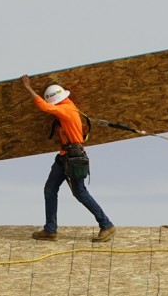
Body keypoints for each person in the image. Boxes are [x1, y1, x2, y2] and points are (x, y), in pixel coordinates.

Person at [20, 74, 116, 242]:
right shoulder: (69, 105)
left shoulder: (65, 110)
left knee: (80, 193)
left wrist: (28, 87)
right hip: (64, 156)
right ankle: (50, 230)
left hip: (73, 158)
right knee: (50, 189)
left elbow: (44, 107)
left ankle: (106, 225)